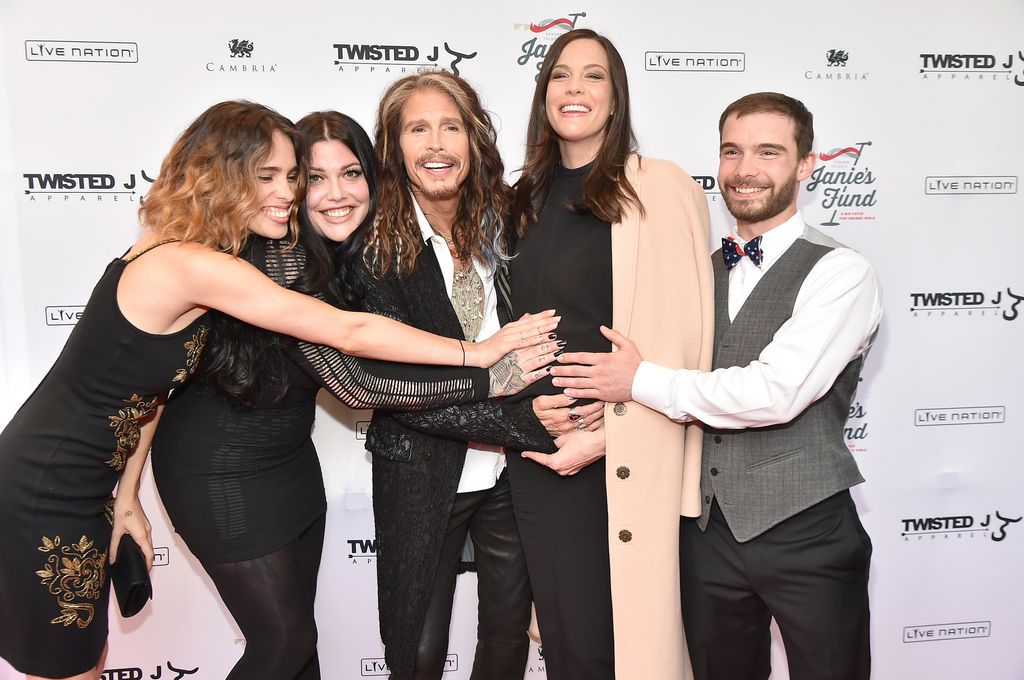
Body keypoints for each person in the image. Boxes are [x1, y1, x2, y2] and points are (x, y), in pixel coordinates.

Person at [0, 100, 556, 680]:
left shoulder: (216, 251)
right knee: (84, 664)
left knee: (109, 660)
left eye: (292, 176)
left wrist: (125, 494)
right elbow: (351, 353)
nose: (290, 192)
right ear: (221, 174)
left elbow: (147, 392)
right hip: (52, 485)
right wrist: (482, 360)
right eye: (273, 176)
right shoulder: (198, 264)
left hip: (186, 474)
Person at [551, 92, 882, 680]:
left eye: (769, 152)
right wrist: (594, 432)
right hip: (703, 535)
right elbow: (664, 389)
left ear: (807, 164)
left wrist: (638, 379)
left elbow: (773, 392)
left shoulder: (841, 272)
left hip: (807, 531)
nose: (745, 169)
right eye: (732, 152)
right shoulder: (699, 271)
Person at [508, 29, 714, 679]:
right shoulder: (522, 200)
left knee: (629, 646)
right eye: (561, 76)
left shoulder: (658, 187)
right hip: (541, 454)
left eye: (593, 76)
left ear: (616, 97)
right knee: (571, 645)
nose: (575, 89)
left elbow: (691, 343)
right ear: (544, 96)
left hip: (621, 455)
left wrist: (608, 436)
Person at [362, 71, 573, 680]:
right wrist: (520, 421)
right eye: (417, 129)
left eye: (450, 127)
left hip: (513, 479)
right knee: (418, 651)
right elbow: (400, 392)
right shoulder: (376, 247)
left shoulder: (508, 222)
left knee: (506, 640)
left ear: (473, 138)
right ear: (392, 146)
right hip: (422, 473)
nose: (436, 145)